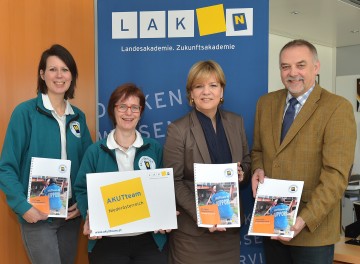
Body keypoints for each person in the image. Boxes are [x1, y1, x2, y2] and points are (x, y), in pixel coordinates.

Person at [251, 39, 357, 264]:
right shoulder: (265, 103)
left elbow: (336, 177)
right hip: (271, 224)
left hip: (312, 232)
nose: (292, 73)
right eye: (285, 66)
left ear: (316, 67)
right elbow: (258, 149)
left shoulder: (337, 107)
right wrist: (258, 168)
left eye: (301, 65)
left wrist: (302, 220)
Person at [0, 44, 93, 264]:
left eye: (65, 69)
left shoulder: (78, 117)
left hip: (70, 214)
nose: (59, 75)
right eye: (52, 69)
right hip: (38, 214)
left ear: (72, 75)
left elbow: (88, 167)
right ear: (42, 74)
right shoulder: (25, 113)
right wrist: (24, 207)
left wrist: (83, 202)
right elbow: (6, 167)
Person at [163, 60, 251, 264]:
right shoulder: (178, 129)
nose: (206, 92)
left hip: (228, 232)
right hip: (193, 235)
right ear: (191, 93)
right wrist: (203, 215)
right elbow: (173, 181)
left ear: (222, 91)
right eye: (199, 86)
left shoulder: (236, 122)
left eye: (213, 85)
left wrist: (242, 173)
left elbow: (247, 161)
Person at [74, 83, 168, 264]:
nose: (128, 113)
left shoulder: (154, 148)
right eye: (122, 106)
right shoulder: (95, 151)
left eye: (134, 107)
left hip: (148, 240)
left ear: (140, 112)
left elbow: (164, 188)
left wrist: (166, 214)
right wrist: (90, 217)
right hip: (108, 241)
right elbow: (81, 189)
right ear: (112, 110)